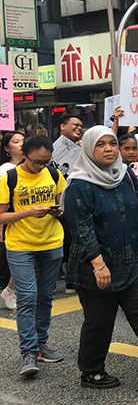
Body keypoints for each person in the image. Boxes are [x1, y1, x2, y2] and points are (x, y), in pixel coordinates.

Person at [63, 127, 138, 389]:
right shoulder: (79, 185)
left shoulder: (125, 174)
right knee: (99, 322)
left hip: (133, 262)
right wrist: (98, 264)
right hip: (96, 268)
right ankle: (92, 371)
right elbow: (81, 230)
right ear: (88, 149)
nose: (109, 149)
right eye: (101, 145)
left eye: (112, 143)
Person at [0, 136, 67, 376]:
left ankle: (41, 344)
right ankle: (28, 352)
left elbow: (62, 204)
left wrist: (57, 211)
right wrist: (28, 212)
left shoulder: (53, 174)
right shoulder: (9, 178)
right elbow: (1, 216)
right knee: (28, 297)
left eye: (47, 161)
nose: (41, 166)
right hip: (20, 244)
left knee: (45, 297)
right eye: (37, 162)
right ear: (24, 155)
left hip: (51, 241)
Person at [0, 131, 25, 311]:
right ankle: (10, 289)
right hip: (11, 219)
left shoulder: (33, 167)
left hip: (31, 219)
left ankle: (13, 289)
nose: (21, 144)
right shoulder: (4, 170)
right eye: (16, 141)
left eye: (24, 140)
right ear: (7, 148)